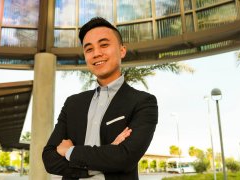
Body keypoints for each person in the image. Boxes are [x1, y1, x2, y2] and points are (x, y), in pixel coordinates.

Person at [42, 17, 158, 180]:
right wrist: (106, 158)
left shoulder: (143, 102)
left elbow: (125, 159)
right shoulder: (72, 103)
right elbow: (49, 159)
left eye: (104, 45)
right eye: (89, 49)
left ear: (122, 50)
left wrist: (70, 151)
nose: (96, 53)